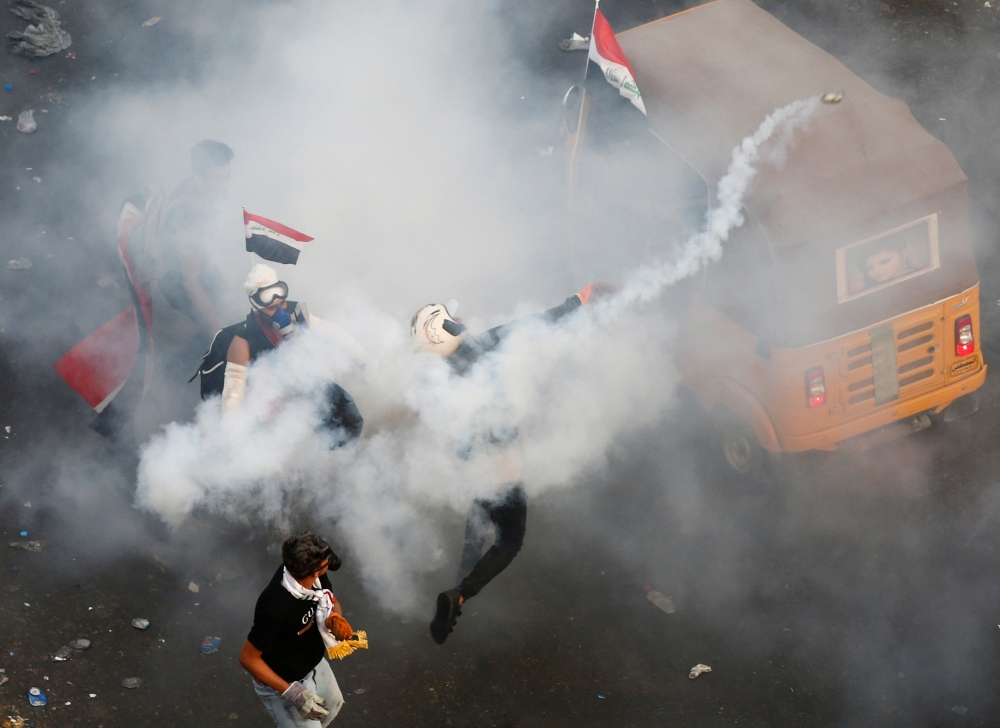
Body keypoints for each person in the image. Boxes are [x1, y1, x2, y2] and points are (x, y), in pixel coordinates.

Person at [411, 281, 615, 644]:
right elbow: (535, 324)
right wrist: (577, 301)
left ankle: (457, 588)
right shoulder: (481, 345)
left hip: (474, 465)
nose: (458, 320)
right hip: (501, 460)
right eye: (451, 320)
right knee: (510, 538)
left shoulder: (437, 376)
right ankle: (458, 595)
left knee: (478, 515)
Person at [205, 264, 364, 446]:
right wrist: (231, 430)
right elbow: (234, 391)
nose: (281, 310)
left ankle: (340, 461)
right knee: (296, 438)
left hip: (307, 379)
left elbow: (332, 333)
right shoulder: (243, 339)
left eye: (282, 303)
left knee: (350, 419)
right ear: (258, 308)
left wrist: (360, 357)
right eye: (273, 307)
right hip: (273, 395)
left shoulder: (297, 313)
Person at [240, 531, 354, 727]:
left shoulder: (308, 574)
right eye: (326, 562)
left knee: (332, 708)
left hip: (313, 664)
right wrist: (292, 693)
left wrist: (336, 617)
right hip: (284, 683)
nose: (330, 562)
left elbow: (331, 601)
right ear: (315, 572)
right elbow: (248, 658)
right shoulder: (275, 608)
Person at [158, 139, 244, 336]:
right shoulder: (186, 213)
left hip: (205, 266)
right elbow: (190, 280)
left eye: (228, 175)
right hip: (177, 282)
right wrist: (216, 323)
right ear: (199, 178)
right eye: (219, 178)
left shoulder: (206, 187)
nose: (226, 183)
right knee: (225, 334)